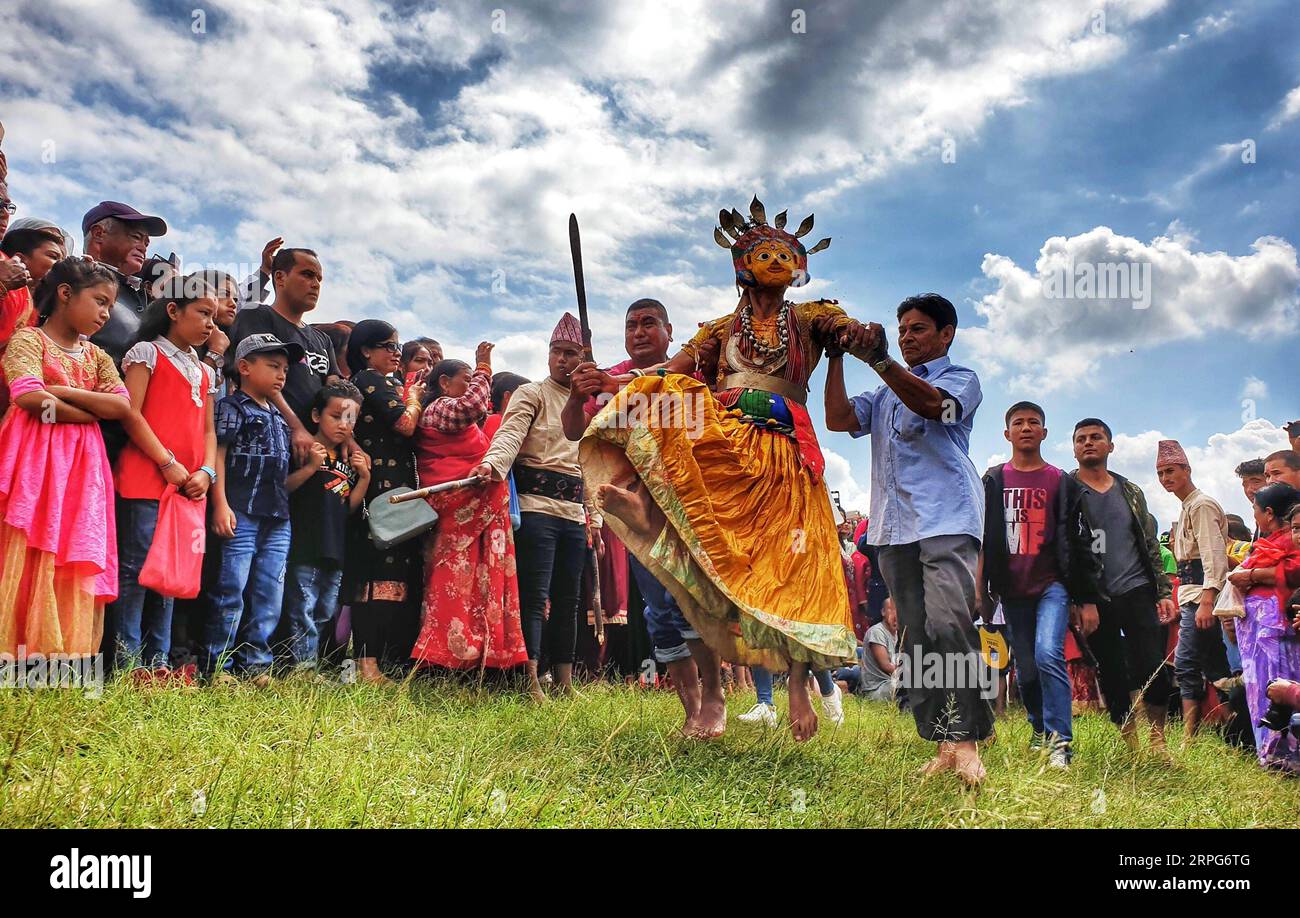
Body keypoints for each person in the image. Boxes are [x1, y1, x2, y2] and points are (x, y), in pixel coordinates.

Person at [575, 199, 872, 742]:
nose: (777, 260)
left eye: (787, 253)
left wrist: (857, 337)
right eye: (765, 252)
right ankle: (648, 496)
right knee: (667, 391)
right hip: (725, 449)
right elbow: (668, 370)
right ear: (742, 264)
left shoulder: (810, 317)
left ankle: (800, 688)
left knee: (791, 568)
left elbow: (847, 331)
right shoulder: (717, 329)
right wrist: (610, 385)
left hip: (785, 453)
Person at [824, 292, 994, 784]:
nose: (907, 337)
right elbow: (837, 419)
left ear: (946, 335)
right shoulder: (881, 396)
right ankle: (942, 742)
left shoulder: (960, 379)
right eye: (902, 330)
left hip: (946, 519)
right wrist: (836, 355)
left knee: (949, 626)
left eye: (918, 329)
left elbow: (936, 409)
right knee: (915, 639)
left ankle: (967, 741)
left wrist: (879, 359)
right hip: (893, 528)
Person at [0, 259, 133, 657]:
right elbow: (27, 398)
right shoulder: (29, 340)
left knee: (69, 544)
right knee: (27, 541)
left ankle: (53, 658)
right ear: (64, 294)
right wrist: (90, 410)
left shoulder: (96, 357)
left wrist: (61, 392)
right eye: (100, 301)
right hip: (32, 458)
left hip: (81, 467)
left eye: (111, 305)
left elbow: (122, 407)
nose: (106, 313)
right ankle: (12, 652)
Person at [474, 314, 594, 700]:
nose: (562, 359)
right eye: (556, 352)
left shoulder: (591, 404)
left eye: (571, 353)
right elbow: (509, 435)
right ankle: (530, 678)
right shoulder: (532, 394)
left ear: (583, 357)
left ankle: (564, 681)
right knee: (534, 595)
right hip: (536, 507)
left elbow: (592, 461)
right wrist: (492, 463)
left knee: (569, 600)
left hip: (574, 512)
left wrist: (596, 516)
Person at [978, 402, 1104, 768]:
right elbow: (984, 539)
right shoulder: (994, 479)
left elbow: (1079, 542)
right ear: (1007, 434)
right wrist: (980, 590)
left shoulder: (1061, 481)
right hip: (1012, 588)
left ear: (1045, 433)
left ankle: (1060, 742)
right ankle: (1037, 727)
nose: (1027, 427)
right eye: (1018, 422)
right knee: (1027, 669)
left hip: (1053, 583)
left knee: (1050, 653)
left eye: (1034, 422)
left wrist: (1086, 598)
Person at [110, 279, 221, 683]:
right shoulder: (147, 353)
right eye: (202, 313)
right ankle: (127, 662)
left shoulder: (206, 371)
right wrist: (167, 462)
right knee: (137, 569)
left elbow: (210, 431)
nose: (211, 323)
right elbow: (130, 412)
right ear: (173, 311)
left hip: (189, 486)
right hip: (146, 477)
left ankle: (158, 662)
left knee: (171, 573)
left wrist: (206, 472)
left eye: (213, 315)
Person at [413, 345, 528, 675]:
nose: (474, 384)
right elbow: (474, 404)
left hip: (477, 511)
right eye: (466, 379)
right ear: (445, 383)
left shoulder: (449, 412)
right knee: (455, 581)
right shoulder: (440, 408)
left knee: (480, 584)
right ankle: (446, 657)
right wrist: (484, 367)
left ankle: (482, 655)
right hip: (457, 510)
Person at [1071, 417, 1178, 757]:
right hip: (1095, 597)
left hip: (1136, 589)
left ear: (1110, 446)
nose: (1089, 442)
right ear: (1074, 448)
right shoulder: (1066, 491)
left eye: (1096, 437)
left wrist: (1161, 592)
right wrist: (1078, 599)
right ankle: (1130, 743)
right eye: (1082, 438)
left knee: (1151, 664)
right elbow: (1065, 549)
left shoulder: (1130, 491)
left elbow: (1148, 544)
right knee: (1112, 671)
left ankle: (1158, 740)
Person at [201, 333, 303, 686]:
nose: (281, 375)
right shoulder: (231, 407)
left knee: (269, 590)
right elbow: (219, 454)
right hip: (240, 511)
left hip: (277, 516)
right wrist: (220, 504)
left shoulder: (277, 414)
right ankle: (219, 665)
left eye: (285, 369)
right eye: (273, 366)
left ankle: (257, 663)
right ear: (244, 367)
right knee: (231, 588)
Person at [343, 320, 424, 682]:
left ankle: (385, 660)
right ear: (365, 350)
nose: (396, 353)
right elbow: (405, 425)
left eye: (397, 346)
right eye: (388, 346)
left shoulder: (390, 381)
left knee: (397, 579)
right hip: (377, 492)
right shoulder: (366, 380)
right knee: (376, 577)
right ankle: (367, 663)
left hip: (399, 492)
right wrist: (414, 398)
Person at [283, 381, 370, 672]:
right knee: (302, 608)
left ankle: (313, 664)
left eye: (350, 419)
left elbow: (348, 508)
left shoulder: (345, 460)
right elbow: (283, 489)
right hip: (305, 544)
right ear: (317, 415)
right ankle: (301, 667)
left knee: (324, 610)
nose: (343, 426)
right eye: (336, 416)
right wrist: (309, 468)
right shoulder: (304, 449)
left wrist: (365, 478)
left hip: (335, 546)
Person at [227, 248, 340, 463]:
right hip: (266, 443)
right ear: (280, 277)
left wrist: (348, 440)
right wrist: (296, 427)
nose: (316, 284)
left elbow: (336, 392)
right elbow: (261, 379)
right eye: (307, 274)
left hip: (315, 450)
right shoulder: (256, 315)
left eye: (319, 278)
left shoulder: (322, 339)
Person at [1157, 439, 1231, 739]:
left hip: (1201, 595)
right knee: (1215, 663)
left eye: (1171, 470)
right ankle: (1234, 726)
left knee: (1186, 664)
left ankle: (1190, 735)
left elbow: (1214, 554)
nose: (1166, 478)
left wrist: (1207, 598)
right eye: (1161, 473)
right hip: (1190, 595)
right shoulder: (1187, 506)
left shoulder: (1201, 505)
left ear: (1187, 469)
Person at [1224, 485, 1300, 771]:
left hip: (1276, 628)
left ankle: (1285, 755)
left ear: (1268, 513)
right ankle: (1269, 754)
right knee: (1260, 688)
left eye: (1256, 510)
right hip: (1258, 629)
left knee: (1278, 684)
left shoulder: (1289, 543)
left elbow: (1294, 571)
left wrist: (1253, 574)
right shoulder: (1271, 543)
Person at [82, 201, 168, 368]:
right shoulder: (77, 281)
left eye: (146, 243)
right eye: (136, 237)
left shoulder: (140, 293)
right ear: (99, 234)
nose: (143, 247)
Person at [0, 218, 68, 413]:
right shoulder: (9, 287)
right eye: (53, 256)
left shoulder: (35, 302)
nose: (59, 266)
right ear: (20, 259)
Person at [835, 597, 901, 702]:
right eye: (891, 609)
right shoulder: (877, 632)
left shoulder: (898, 633)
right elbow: (886, 666)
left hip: (891, 683)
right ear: (883, 612)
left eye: (898, 610)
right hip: (876, 689)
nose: (895, 614)